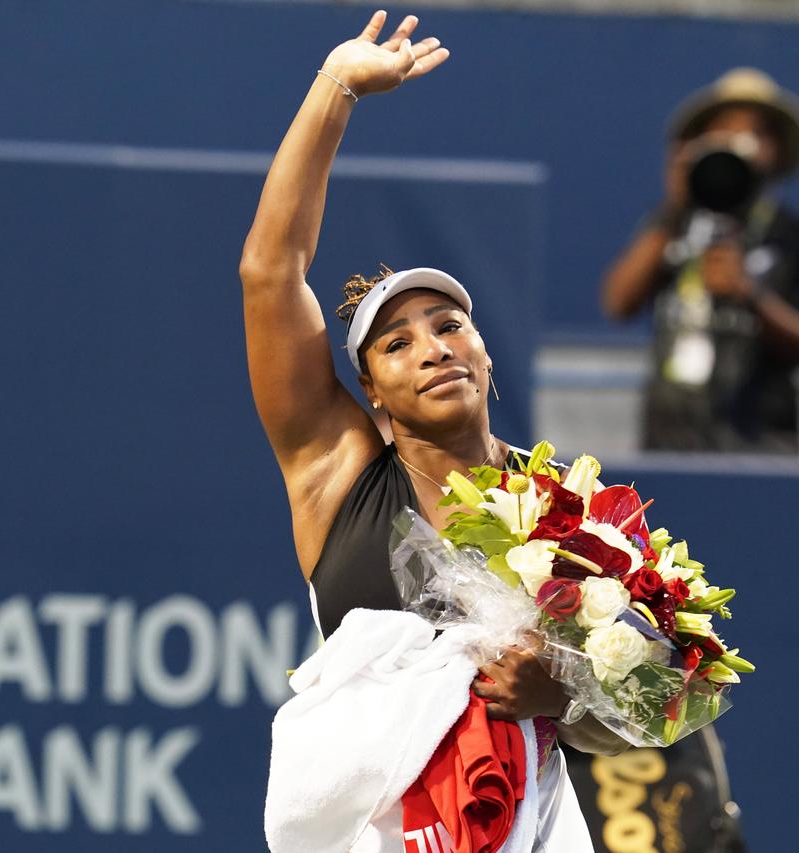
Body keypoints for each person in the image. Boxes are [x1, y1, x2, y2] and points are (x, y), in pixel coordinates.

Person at [240, 10, 625, 848]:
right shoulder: (335, 469)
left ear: (485, 353)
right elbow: (270, 272)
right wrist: (334, 88)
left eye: (449, 324)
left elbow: (641, 711)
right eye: (397, 342)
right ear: (371, 393)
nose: (432, 349)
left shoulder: (570, 510)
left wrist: (558, 691)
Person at [600, 68, 799, 454]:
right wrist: (674, 206)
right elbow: (617, 303)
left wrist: (750, 296)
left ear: (777, 149)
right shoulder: (670, 224)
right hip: (667, 445)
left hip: (763, 447)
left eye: (755, 134)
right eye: (724, 130)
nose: (738, 142)